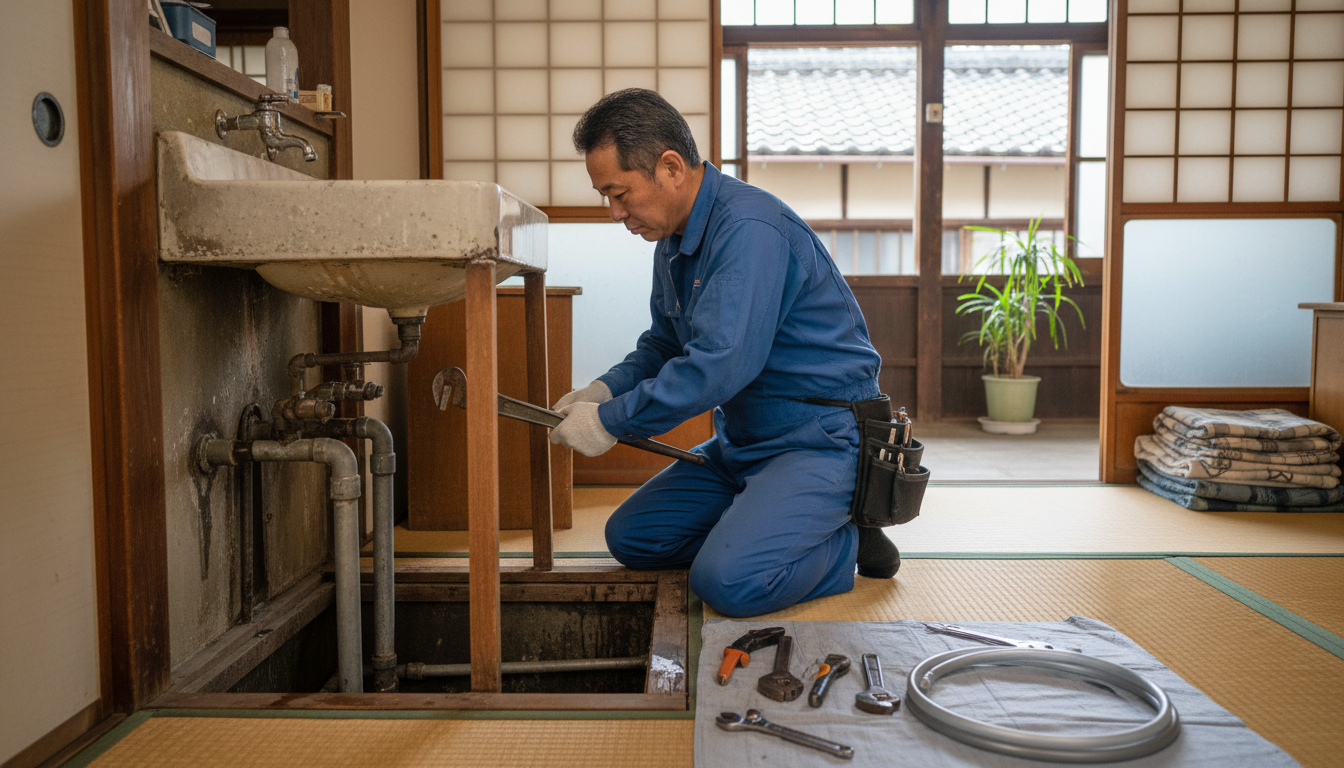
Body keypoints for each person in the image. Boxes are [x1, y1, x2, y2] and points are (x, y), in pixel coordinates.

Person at [548, 88, 899, 618]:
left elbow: (719, 365)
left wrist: (611, 422)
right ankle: (772, 526)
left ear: (670, 167)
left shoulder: (748, 230)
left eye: (620, 193)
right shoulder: (673, 237)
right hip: (742, 442)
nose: (615, 212)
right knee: (633, 540)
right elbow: (665, 346)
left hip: (819, 441)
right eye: (606, 197)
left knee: (728, 583)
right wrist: (603, 390)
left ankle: (847, 539)